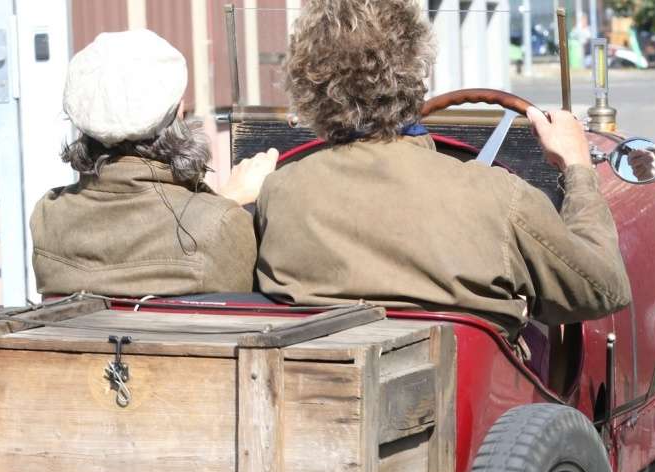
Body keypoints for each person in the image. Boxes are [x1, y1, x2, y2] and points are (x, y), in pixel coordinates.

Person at [254, 0, 631, 335]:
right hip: (478, 391)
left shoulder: (280, 192)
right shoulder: (498, 194)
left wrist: (230, 200)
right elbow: (603, 289)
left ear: (308, 88)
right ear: (416, 72)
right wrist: (577, 166)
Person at [30, 30, 278, 296]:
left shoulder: (48, 216)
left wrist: (224, 202)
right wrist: (226, 206)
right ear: (178, 111)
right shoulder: (221, 224)